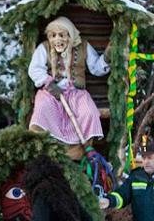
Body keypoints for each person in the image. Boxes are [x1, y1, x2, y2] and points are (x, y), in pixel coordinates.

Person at [27, 17, 108, 147]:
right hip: (51, 93)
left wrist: (107, 58)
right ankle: (45, 149)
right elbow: (34, 69)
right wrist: (49, 83)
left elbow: (96, 68)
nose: (57, 40)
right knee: (42, 111)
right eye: (53, 36)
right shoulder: (44, 47)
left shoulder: (83, 46)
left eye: (61, 35)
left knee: (89, 113)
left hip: (77, 94)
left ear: (70, 35)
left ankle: (81, 151)